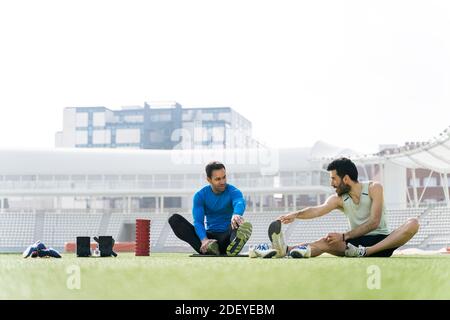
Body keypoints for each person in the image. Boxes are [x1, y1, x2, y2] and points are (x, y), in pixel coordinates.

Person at [260, 157, 420, 258]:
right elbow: (317, 210)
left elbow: (374, 222)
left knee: (413, 222)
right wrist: (295, 214)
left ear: (346, 178)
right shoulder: (339, 199)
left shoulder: (374, 188)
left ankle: (367, 252)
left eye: (334, 179)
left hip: (382, 242)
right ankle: (285, 250)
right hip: (354, 246)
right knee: (325, 242)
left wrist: (344, 236)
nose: (331, 183)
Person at [168, 161, 253, 256]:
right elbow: (198, 222)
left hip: (228, 236)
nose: (223, 182)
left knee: (240, 223)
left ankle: (234, 244)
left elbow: (239, 202)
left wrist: (236, 214)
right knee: (174, 219)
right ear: (209, 179)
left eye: (224, 177)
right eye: (218, 179)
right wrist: (204, 239)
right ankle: (209, 248)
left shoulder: (234, 191)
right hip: (209, 238)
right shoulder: (200, 196)